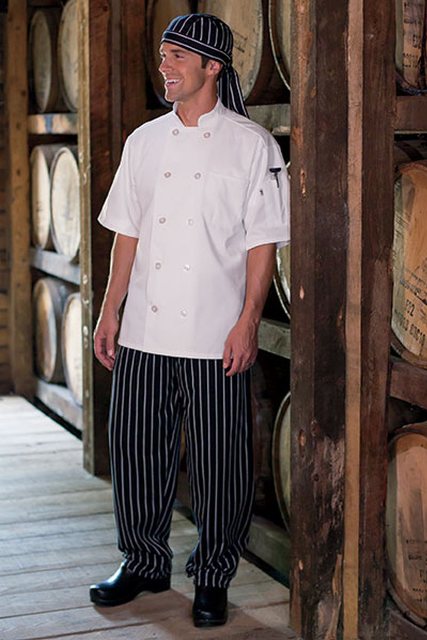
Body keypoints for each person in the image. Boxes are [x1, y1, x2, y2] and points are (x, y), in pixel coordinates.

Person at [89, 13, 290, 628]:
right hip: (145, 333)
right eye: (163, 54)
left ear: (212, 66)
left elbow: (262, 244)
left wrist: (248, 320)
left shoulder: (253, 145)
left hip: (214, 332)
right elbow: (128, 234)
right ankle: (144, 562)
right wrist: (109, 310)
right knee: (136, 452)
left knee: (221, 464)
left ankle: (213, 577)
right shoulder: (144, 142)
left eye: (177, 55)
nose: (165, 66)